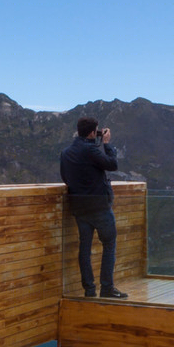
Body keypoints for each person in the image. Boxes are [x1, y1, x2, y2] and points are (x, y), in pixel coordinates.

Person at [60, 117, 128, 299]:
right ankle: (107, 288)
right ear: (92, 133)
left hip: (79, 206)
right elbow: (113, 164)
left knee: (85, 248)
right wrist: (106, 144)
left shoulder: (66, 153)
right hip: (99, 206)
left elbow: (65, 177)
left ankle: (89, 290)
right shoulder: (90, 149)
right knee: (109, 244)